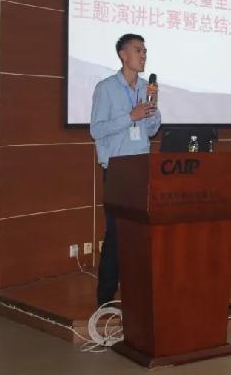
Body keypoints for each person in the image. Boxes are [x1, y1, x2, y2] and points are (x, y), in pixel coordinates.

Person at [90, 33, 161, 306]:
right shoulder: (106, 88)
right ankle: (105, 298)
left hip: (142, 167)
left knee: (140, 232)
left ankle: (136, 290)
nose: (143, 55)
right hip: (118, 169)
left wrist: (152, 112)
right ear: (123, 54)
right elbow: (96, 130)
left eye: (145, 51)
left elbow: (151, 130)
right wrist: (130, 116)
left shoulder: (146, 88)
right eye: (138, 50)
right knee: (117, 233)